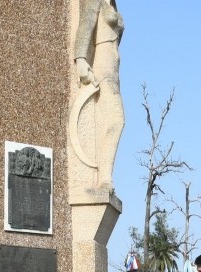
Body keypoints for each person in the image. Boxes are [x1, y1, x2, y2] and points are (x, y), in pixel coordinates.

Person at [72, 0, 124, 190]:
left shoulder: (112, 4)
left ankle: (105, 177)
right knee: (117, 120)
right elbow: (87, 22)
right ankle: (104, 179)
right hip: (101, 64)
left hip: (114, 69)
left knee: (112, 122)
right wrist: (81, 59)